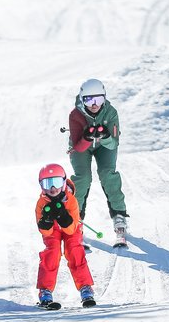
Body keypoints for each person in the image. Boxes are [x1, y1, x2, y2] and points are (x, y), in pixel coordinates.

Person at [68, 78, 129, 234]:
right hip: (82, 146)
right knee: (83, 178)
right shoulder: (76, 115)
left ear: (104, 98)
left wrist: (106, 136)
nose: (94, 105)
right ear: (82, 100)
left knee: (108, 174)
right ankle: (75, 216)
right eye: (89, 100)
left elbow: (114, 144)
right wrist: (87, 137)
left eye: (99, 99)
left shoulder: (111, 112)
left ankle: (119, 214)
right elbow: (78, 147)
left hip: (104, 146)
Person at [34, 163, 96, 308]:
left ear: (63, 182)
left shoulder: (71, 200)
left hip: (70, 228)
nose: (52, 188)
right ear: (41, 186)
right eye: (47, 184)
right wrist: (46, 221)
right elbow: (45, 232)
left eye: (56, 182)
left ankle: (85, 288)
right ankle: (45, 291)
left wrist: (63, 217)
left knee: (74, 250)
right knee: (52, 251)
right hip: (53, 230)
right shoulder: (41, 203)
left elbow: (71, 229)